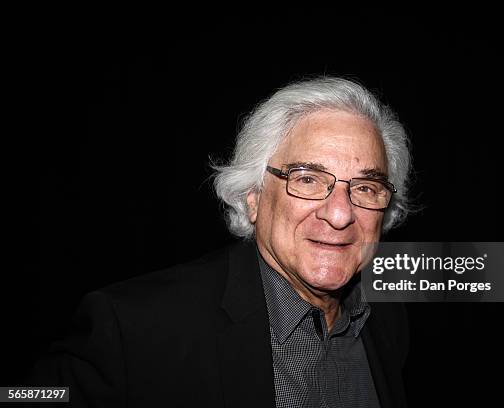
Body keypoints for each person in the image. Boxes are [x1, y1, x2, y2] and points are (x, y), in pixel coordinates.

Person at [30, 76, 413, 407]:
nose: (340, 213)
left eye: (366, 187)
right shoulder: (135, 328)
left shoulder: (387, 316)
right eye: (307, 179)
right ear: (253, 198)